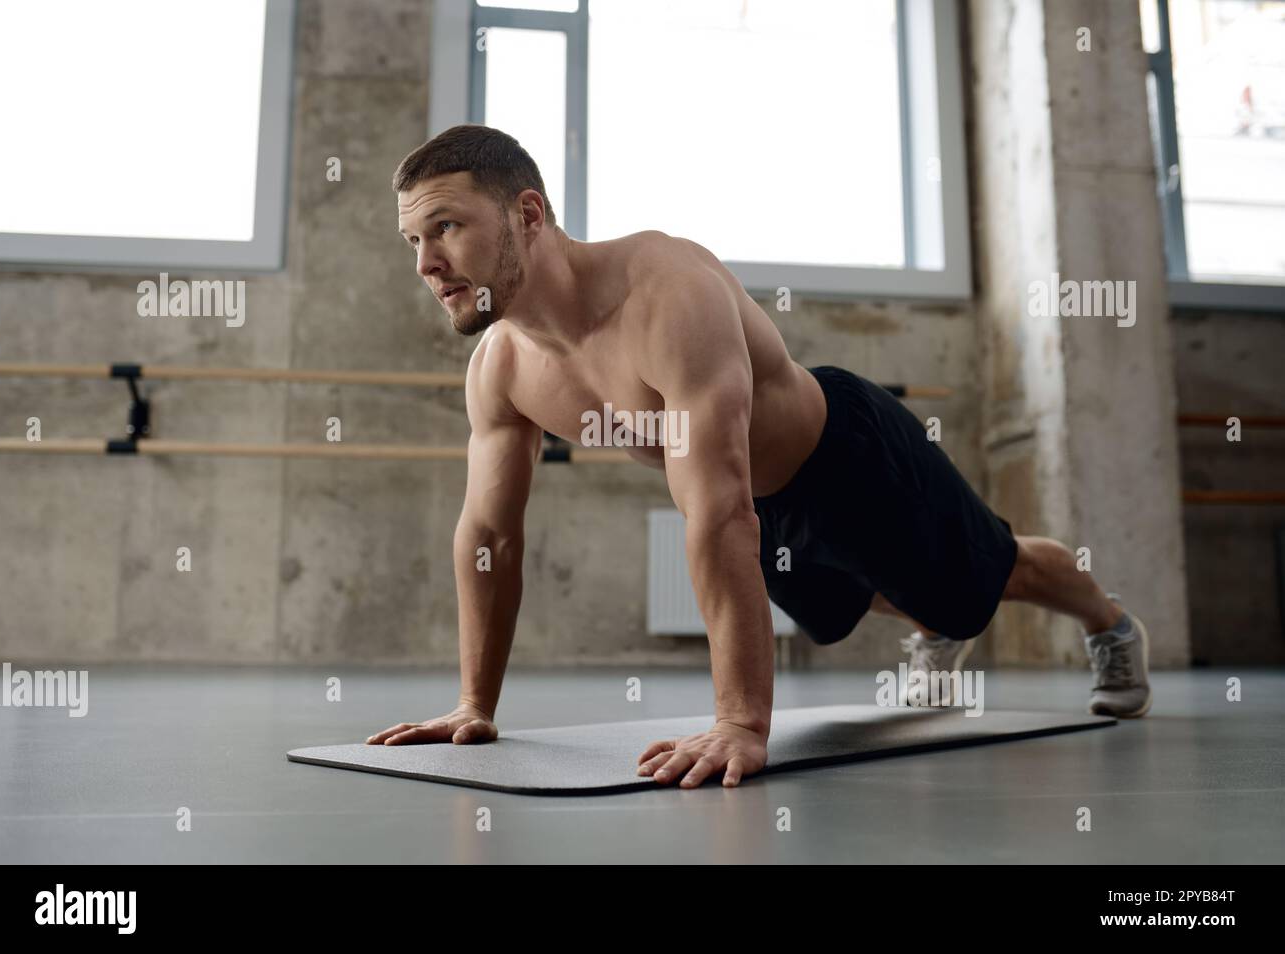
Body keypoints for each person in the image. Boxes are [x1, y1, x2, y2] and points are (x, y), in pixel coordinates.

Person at [366, 125, 1152, 788]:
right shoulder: (501, 371)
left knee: (990, 575)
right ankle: (929, 617)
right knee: (876, 600)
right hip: (770, 513)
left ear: (527, 213)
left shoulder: (664, 290)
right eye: (413, 240)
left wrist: (740, 722)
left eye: (445, 228)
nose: (425, 264)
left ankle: (1110, 627)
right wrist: (476, 704)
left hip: (848, 458)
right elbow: (489, 539)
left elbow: (716, 510)